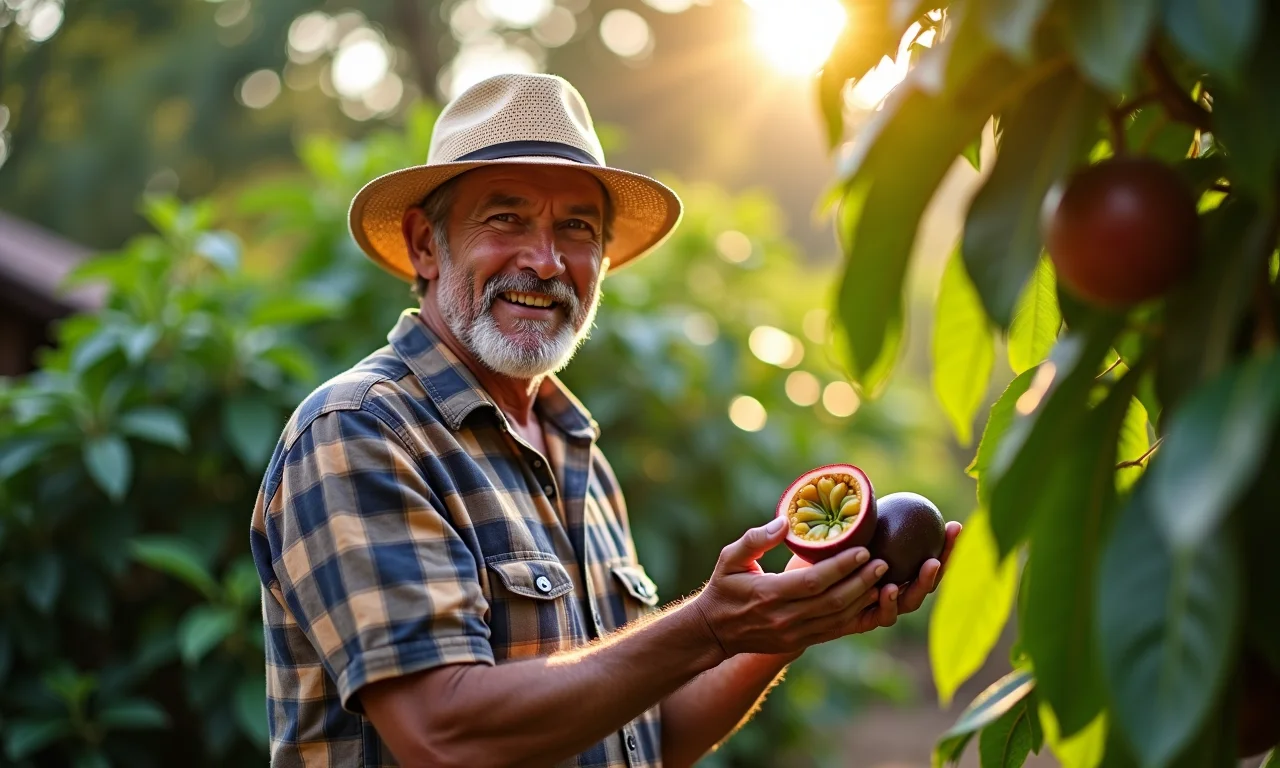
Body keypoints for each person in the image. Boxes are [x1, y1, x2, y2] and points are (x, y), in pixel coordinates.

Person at [249, 72, 961, 768]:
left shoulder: (571, 447)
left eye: (578, 229)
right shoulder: (360, 431)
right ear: (425, 245)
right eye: (506, 218)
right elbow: (444, 736)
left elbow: (648, 738)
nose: (547, 260)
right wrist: (709, 624)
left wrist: (786, 625)